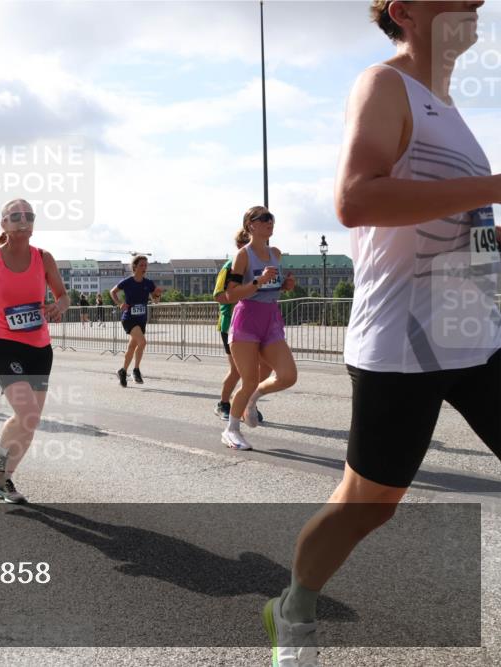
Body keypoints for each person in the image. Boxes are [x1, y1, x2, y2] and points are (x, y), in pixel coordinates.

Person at [265, 4, 501, 665]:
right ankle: (295, 606)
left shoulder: (450, 111)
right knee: (368, 506)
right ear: (406, 10)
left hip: (478, 336)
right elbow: (356, 198)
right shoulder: (383, 85)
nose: (476, 2)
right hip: (403, 342)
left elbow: (466, 224)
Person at [0, 198, 70, 504]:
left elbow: (63, 296)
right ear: (4, 225)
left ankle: (4, 475)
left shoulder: (43, 257)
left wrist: (58, 306)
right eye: (15, 216)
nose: (23, 220)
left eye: (29, 215)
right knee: (26, 413)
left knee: (30, 422)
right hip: (5, 344)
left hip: (40, 347)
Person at [221, 207, 298, 451]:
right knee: (249, 378)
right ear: (250, 225)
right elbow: (231, 294)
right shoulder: (243, 256)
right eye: (264, 218)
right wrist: (258, 281)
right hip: (247, 319)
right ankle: (231, 430)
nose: (270, 222)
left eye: (271, 218)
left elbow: (273, 287)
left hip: (271, 319)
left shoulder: (276, 253)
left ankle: (252, 400)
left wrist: (286, 285)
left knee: (288, 376)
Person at [213, 231, 276, 422]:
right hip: (232, 324)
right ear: (240, 245)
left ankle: (248, 402)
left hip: (256, 324)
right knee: (238, 371)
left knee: (263, 368)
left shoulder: (264, 264)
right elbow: (219, 295)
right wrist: (244, 293)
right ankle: (223, 403)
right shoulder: (229, 266)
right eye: (246, 244)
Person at [110, 256, 164, 387]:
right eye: (141, 265)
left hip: (141, 319)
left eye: (146, 265)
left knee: (132, 347)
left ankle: (123, 371)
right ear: (134, 267)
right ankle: (136, 370)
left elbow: (156, 301)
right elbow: (113, 291)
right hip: (129, 318)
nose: (144, 268)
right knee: (143, 342)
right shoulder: (128, 281)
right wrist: (119, 304)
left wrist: (157, 294)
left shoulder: (148, 283)